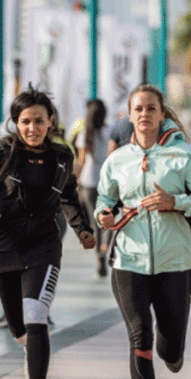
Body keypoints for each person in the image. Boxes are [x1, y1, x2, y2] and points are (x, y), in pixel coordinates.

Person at [0, 85, 96, 379]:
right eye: (26, 121)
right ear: (16, 122)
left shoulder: (62, 155)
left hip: (44, 244)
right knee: (19, 329)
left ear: (50, 121)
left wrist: (82, 229)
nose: (32, 128)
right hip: (4, 247)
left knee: (36, 317)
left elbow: (68, 194)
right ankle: (35, 350)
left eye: (39, 121)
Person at [96, 84, 191, 379]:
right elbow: (105, 199)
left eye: (151, 108)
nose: (144, 114)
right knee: (140, 337)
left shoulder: (184, 156)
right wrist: (104, 215)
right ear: (128, 115)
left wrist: (175, 202)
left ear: (162, 113)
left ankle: (174, 354)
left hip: (174, 262)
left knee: (170, 348)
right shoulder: (118, 159)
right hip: (128, 260)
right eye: (138, 109)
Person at [74, 98, 111, 277]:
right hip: (107, 181)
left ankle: (99, 257)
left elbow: (81, 161)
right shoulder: (109, 131)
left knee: (95, 221)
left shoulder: (84, 133)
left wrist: (76, 182)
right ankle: (105, 249)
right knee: (108, 219)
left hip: (88, 181)